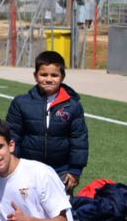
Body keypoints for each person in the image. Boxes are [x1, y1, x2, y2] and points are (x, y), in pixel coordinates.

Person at [6, 51, 89, 193]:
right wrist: (14, 164)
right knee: (28, 208)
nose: (49, 79)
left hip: (60, 170)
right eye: (44, 75)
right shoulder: (21, 103)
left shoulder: (73, 105)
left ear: (62, 76)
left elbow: (79, 139)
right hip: (27, 168)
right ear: (35, 76)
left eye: (54, 75)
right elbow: (13, 136)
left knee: (59, 212)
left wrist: (75, 169)